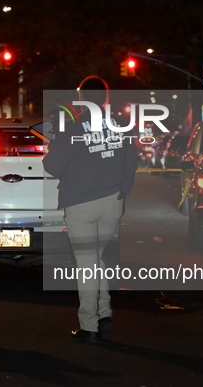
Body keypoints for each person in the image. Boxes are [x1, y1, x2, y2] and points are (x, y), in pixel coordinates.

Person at [43, 76, 138, 344]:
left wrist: (54, 143)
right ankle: (104, 311)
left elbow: (52, 166)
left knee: (86, 264)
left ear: (81, 97)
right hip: (112, 203)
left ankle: (89, 326)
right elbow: (132, 163)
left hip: (81, 204)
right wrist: (123, 191)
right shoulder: (121, 125)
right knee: (96, 258)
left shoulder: (72, 128)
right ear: (105, 97)